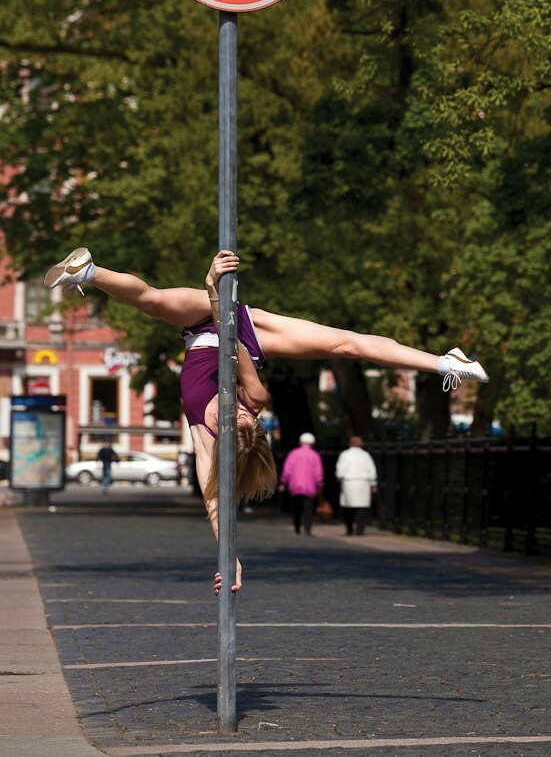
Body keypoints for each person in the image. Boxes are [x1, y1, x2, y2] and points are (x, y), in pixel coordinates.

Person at [45, 247, 490, 589]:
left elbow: (215, 501)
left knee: (158, 306)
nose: (237, 415)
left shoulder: (203, 434)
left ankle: (88, 273)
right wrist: (214, 289)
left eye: (232, 424)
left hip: (214, 321)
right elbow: (229, 333)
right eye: (246, 420)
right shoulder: (254, 395)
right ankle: (444, 363)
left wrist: (229, 559)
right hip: (238, 325)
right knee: (344, 346)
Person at [278, 433, 324, 535]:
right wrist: (319, 484)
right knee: (308, 508)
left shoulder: (293, 454)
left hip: (295, 485)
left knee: (297, 508)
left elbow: (287, 470)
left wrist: (283, 481)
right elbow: (318, 472)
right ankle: (307, 528)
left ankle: (297, 527)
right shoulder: (314, 455)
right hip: (310, 486)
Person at [336, 436, 378, 536]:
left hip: (349, 482)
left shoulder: (345, 455)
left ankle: (349, 528)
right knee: (361, 507)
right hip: (363, 482)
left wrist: (340, 478)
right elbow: (372, 470)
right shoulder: (365, 455)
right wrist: (373, 483)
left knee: (349, 507)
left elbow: (340, 470)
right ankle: (360, 529)